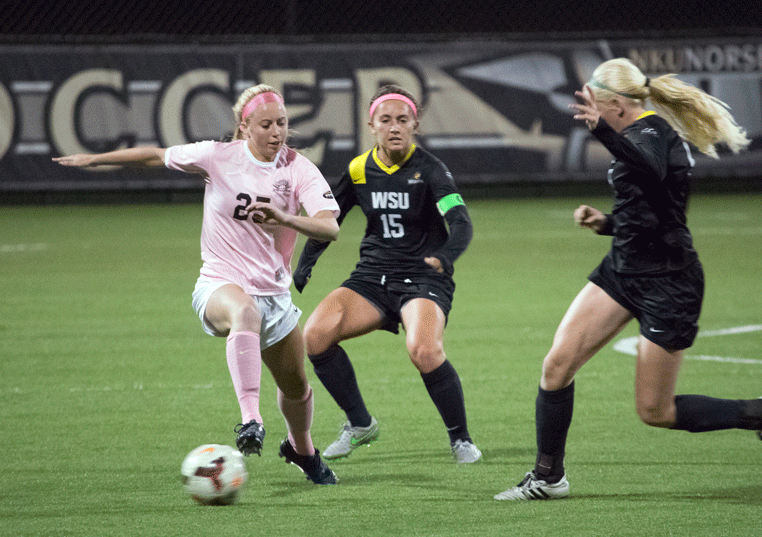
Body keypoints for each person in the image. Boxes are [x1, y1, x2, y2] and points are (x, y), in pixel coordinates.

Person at [495, 58, 762, 500]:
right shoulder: (634, 135)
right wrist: (608, 224)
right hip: (622, 270)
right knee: (556, 366)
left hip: (668, 282)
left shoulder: (654, 133)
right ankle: (548, 477)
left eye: (599, 104)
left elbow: (651, 169)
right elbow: (652, 208)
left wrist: (601, 130)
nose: (592, 110)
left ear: (617, 104)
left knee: (655, 411)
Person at [53, 84, 342, 485]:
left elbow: (330, 227)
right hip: (220, 284)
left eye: (282, 123)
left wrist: (286, 217)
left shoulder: (297, 168)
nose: (276, 132)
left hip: (274, 293)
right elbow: (156, 155)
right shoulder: (218, 157)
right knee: (244, 311)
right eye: (266, 125)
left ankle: (302, 450)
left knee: (296, 388)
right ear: (244, 127)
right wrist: (94, 159)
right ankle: (251, 419)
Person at [292, 84, 482, 463]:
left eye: (403, 120)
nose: (395, 127)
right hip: (373, 277)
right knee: (314, 336)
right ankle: (360, 424)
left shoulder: (430, 170)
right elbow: (329, 220)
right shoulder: (360, 170)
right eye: (386, 120)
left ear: (415, 124)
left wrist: (446, 256)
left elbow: (461, 222)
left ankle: (461, 439)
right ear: (371, 125)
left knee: (424, 349)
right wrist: (305, 263)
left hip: (423, 277)